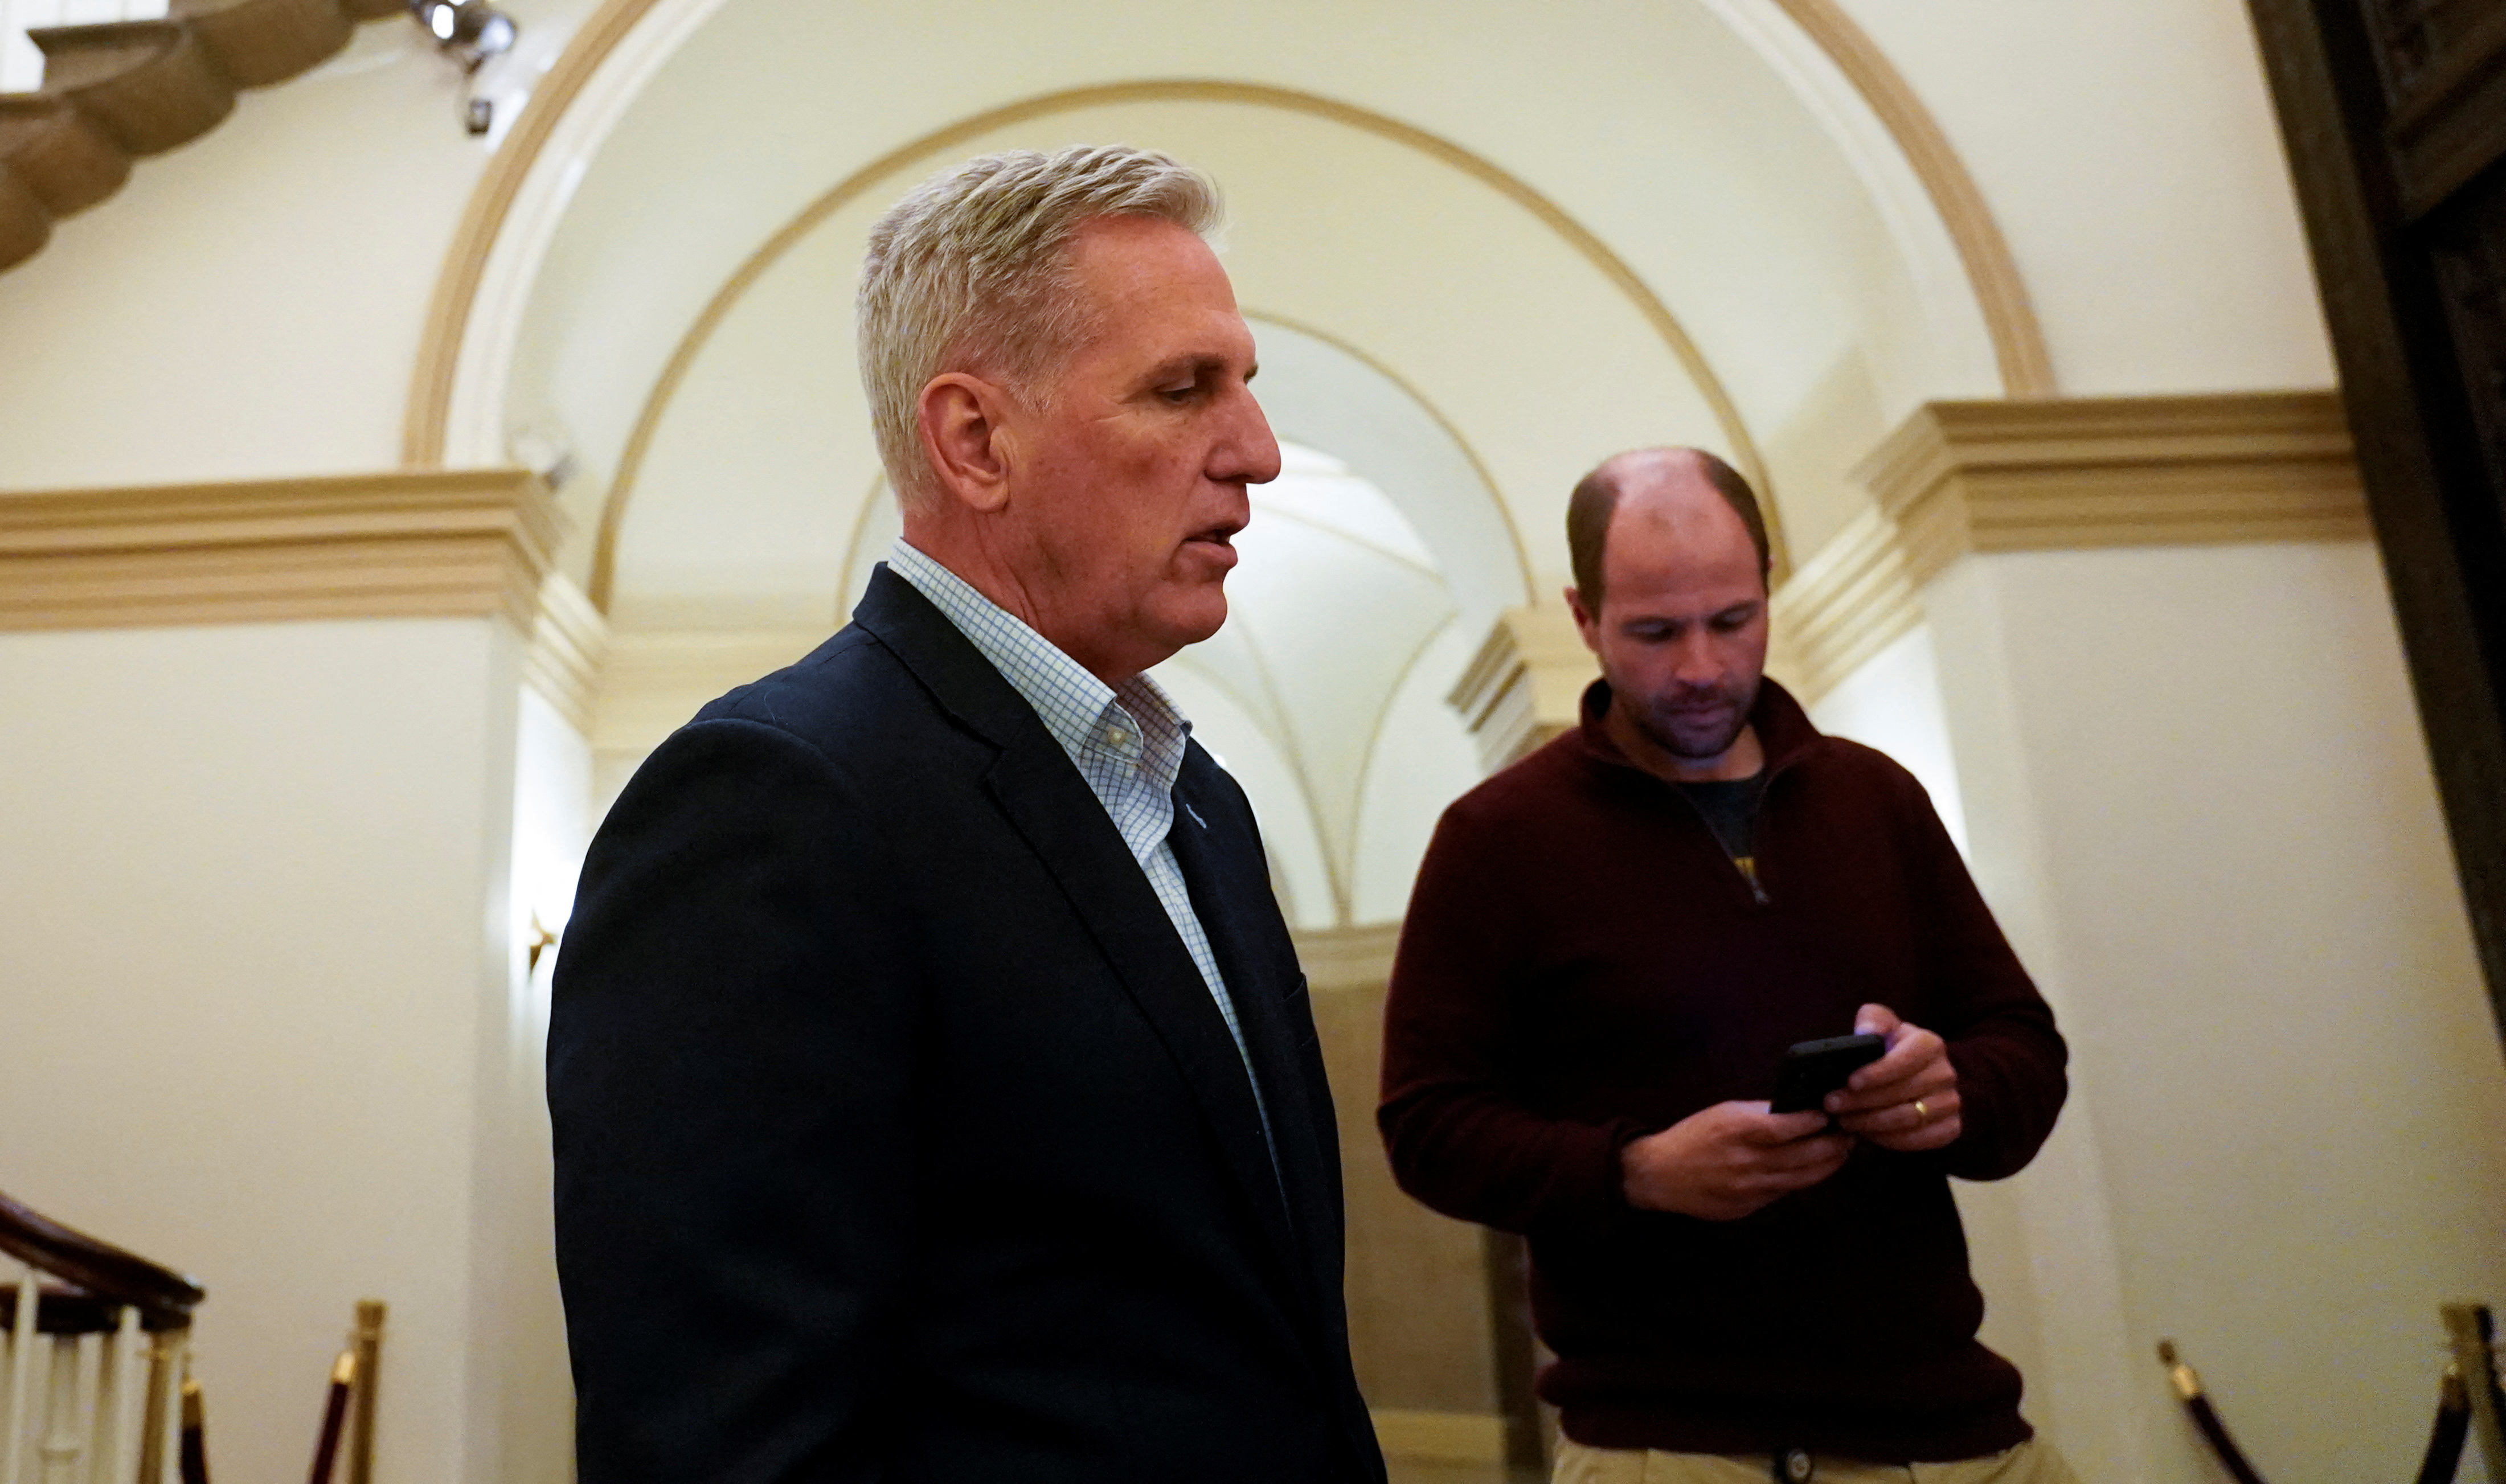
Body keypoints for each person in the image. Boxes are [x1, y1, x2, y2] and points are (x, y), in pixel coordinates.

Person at [547, 146, 1386, 1483]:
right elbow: (720, 1434)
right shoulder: (771, 804)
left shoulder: (1200, 802)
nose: (1260, 453)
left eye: (1244, 386)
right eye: (1183, 389)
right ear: (977, 441)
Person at [1378, 448, 2075, 1483]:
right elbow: (1428, 1127)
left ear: (1767, 587)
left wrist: (1943, 1091)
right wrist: (1635, 1172)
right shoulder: (1498, 838)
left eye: (1733, 620)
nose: (1701, 667)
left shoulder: (1877, 800)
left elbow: (2024, 1050)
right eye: (1655, 632)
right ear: (1583, 618)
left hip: (1945, 1422)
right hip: (1669, 1443)